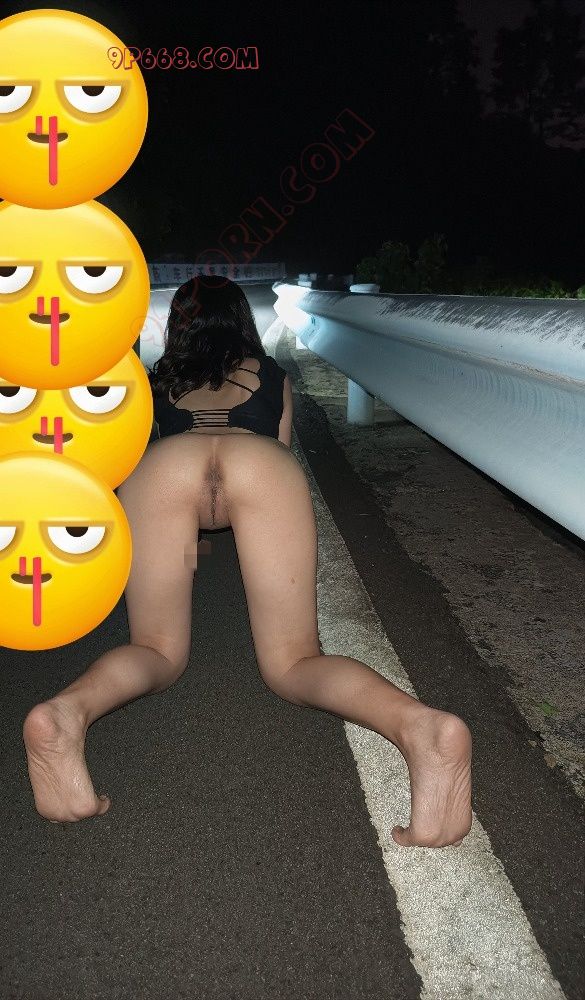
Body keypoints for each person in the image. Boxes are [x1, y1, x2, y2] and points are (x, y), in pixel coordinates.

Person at [22, 276, 472, 848]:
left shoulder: (155, 378)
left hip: (164, 469)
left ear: (179, 325)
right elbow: (278, 451)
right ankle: (419, 727)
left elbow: (128, 448)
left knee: (156, 649)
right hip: (261, 465)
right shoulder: (274, 375)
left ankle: (67, 712)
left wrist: (188, 540)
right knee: (294, 662)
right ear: (242, 320)